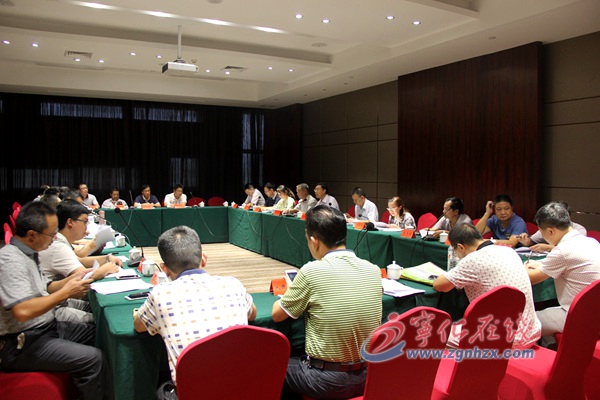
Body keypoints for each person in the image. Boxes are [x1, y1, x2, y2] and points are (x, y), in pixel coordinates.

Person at [0, 201, 111, 400]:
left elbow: (47, 288)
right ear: (32, 235)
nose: (54, 239)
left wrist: (76, 278)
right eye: (51, 235)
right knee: (94, 359)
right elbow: (22, 311)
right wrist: (66, 293)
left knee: (104, 335)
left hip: (46, 327)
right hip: (23, 343)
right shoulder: (10, 260)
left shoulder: (29, 253)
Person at [272, 206, 382, 399]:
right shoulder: (373, 270)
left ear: (314, 241)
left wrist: (292, 289)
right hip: (368, 376)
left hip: (326, 380)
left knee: (270, 366)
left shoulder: (311, 271)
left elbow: (277, 315)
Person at [134, 226, 256, 398]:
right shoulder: (234, 284)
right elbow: (252, 314)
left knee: (161, 389)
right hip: (245, 390)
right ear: (204, 259)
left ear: (164, 269)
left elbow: (139, 325)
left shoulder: (160, 293)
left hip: (194, 394)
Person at [433, 224, 541, 349]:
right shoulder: (509, 251)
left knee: (435, 335)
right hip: (530, 333)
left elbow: (440, 285)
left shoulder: (473, 259)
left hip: (502, 340)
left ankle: (466, 362)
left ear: (461, 247)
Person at [524, 202, 600, 343]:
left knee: (523, 322)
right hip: (595, 311)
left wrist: (524, 266)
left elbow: (530, 278)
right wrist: (540, 264)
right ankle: (550, 346)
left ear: (550, 231)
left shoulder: (562, 251)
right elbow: (570, 264)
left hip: (578, 315)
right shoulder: (591, 242)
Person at [517, 201, 587, 252]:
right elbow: (532, 241)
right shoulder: (548, 227)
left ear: (568, 217)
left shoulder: (579, 231)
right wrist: (527, 242)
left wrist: (549, 248)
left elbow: (572, 249)